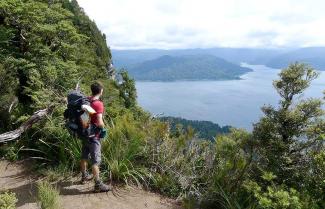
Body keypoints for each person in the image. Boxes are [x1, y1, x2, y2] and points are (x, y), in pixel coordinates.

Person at [80, 81, 110, 192]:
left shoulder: (87, 100)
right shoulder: (98, 104)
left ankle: (84, 176)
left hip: (84, 133)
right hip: (94, 136)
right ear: (101, 90)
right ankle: (98, 185)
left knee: (84, 156)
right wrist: (103, 129)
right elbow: (99, 121)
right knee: (95, 161)